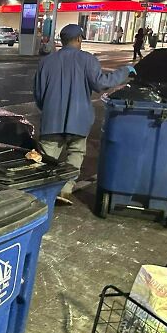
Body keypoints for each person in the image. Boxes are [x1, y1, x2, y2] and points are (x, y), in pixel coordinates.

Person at [33, 24, 134, 205]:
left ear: (61, 41)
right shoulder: (87, 59)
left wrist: (48, 109)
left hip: (52, 120)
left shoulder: (46, 62)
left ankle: (44, 192)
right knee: (75, 154)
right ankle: (64, 190)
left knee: (47, 159)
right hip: (78, 121)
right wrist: (125, 71)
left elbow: (39, 94)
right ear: (79, 39)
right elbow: (101, 83)